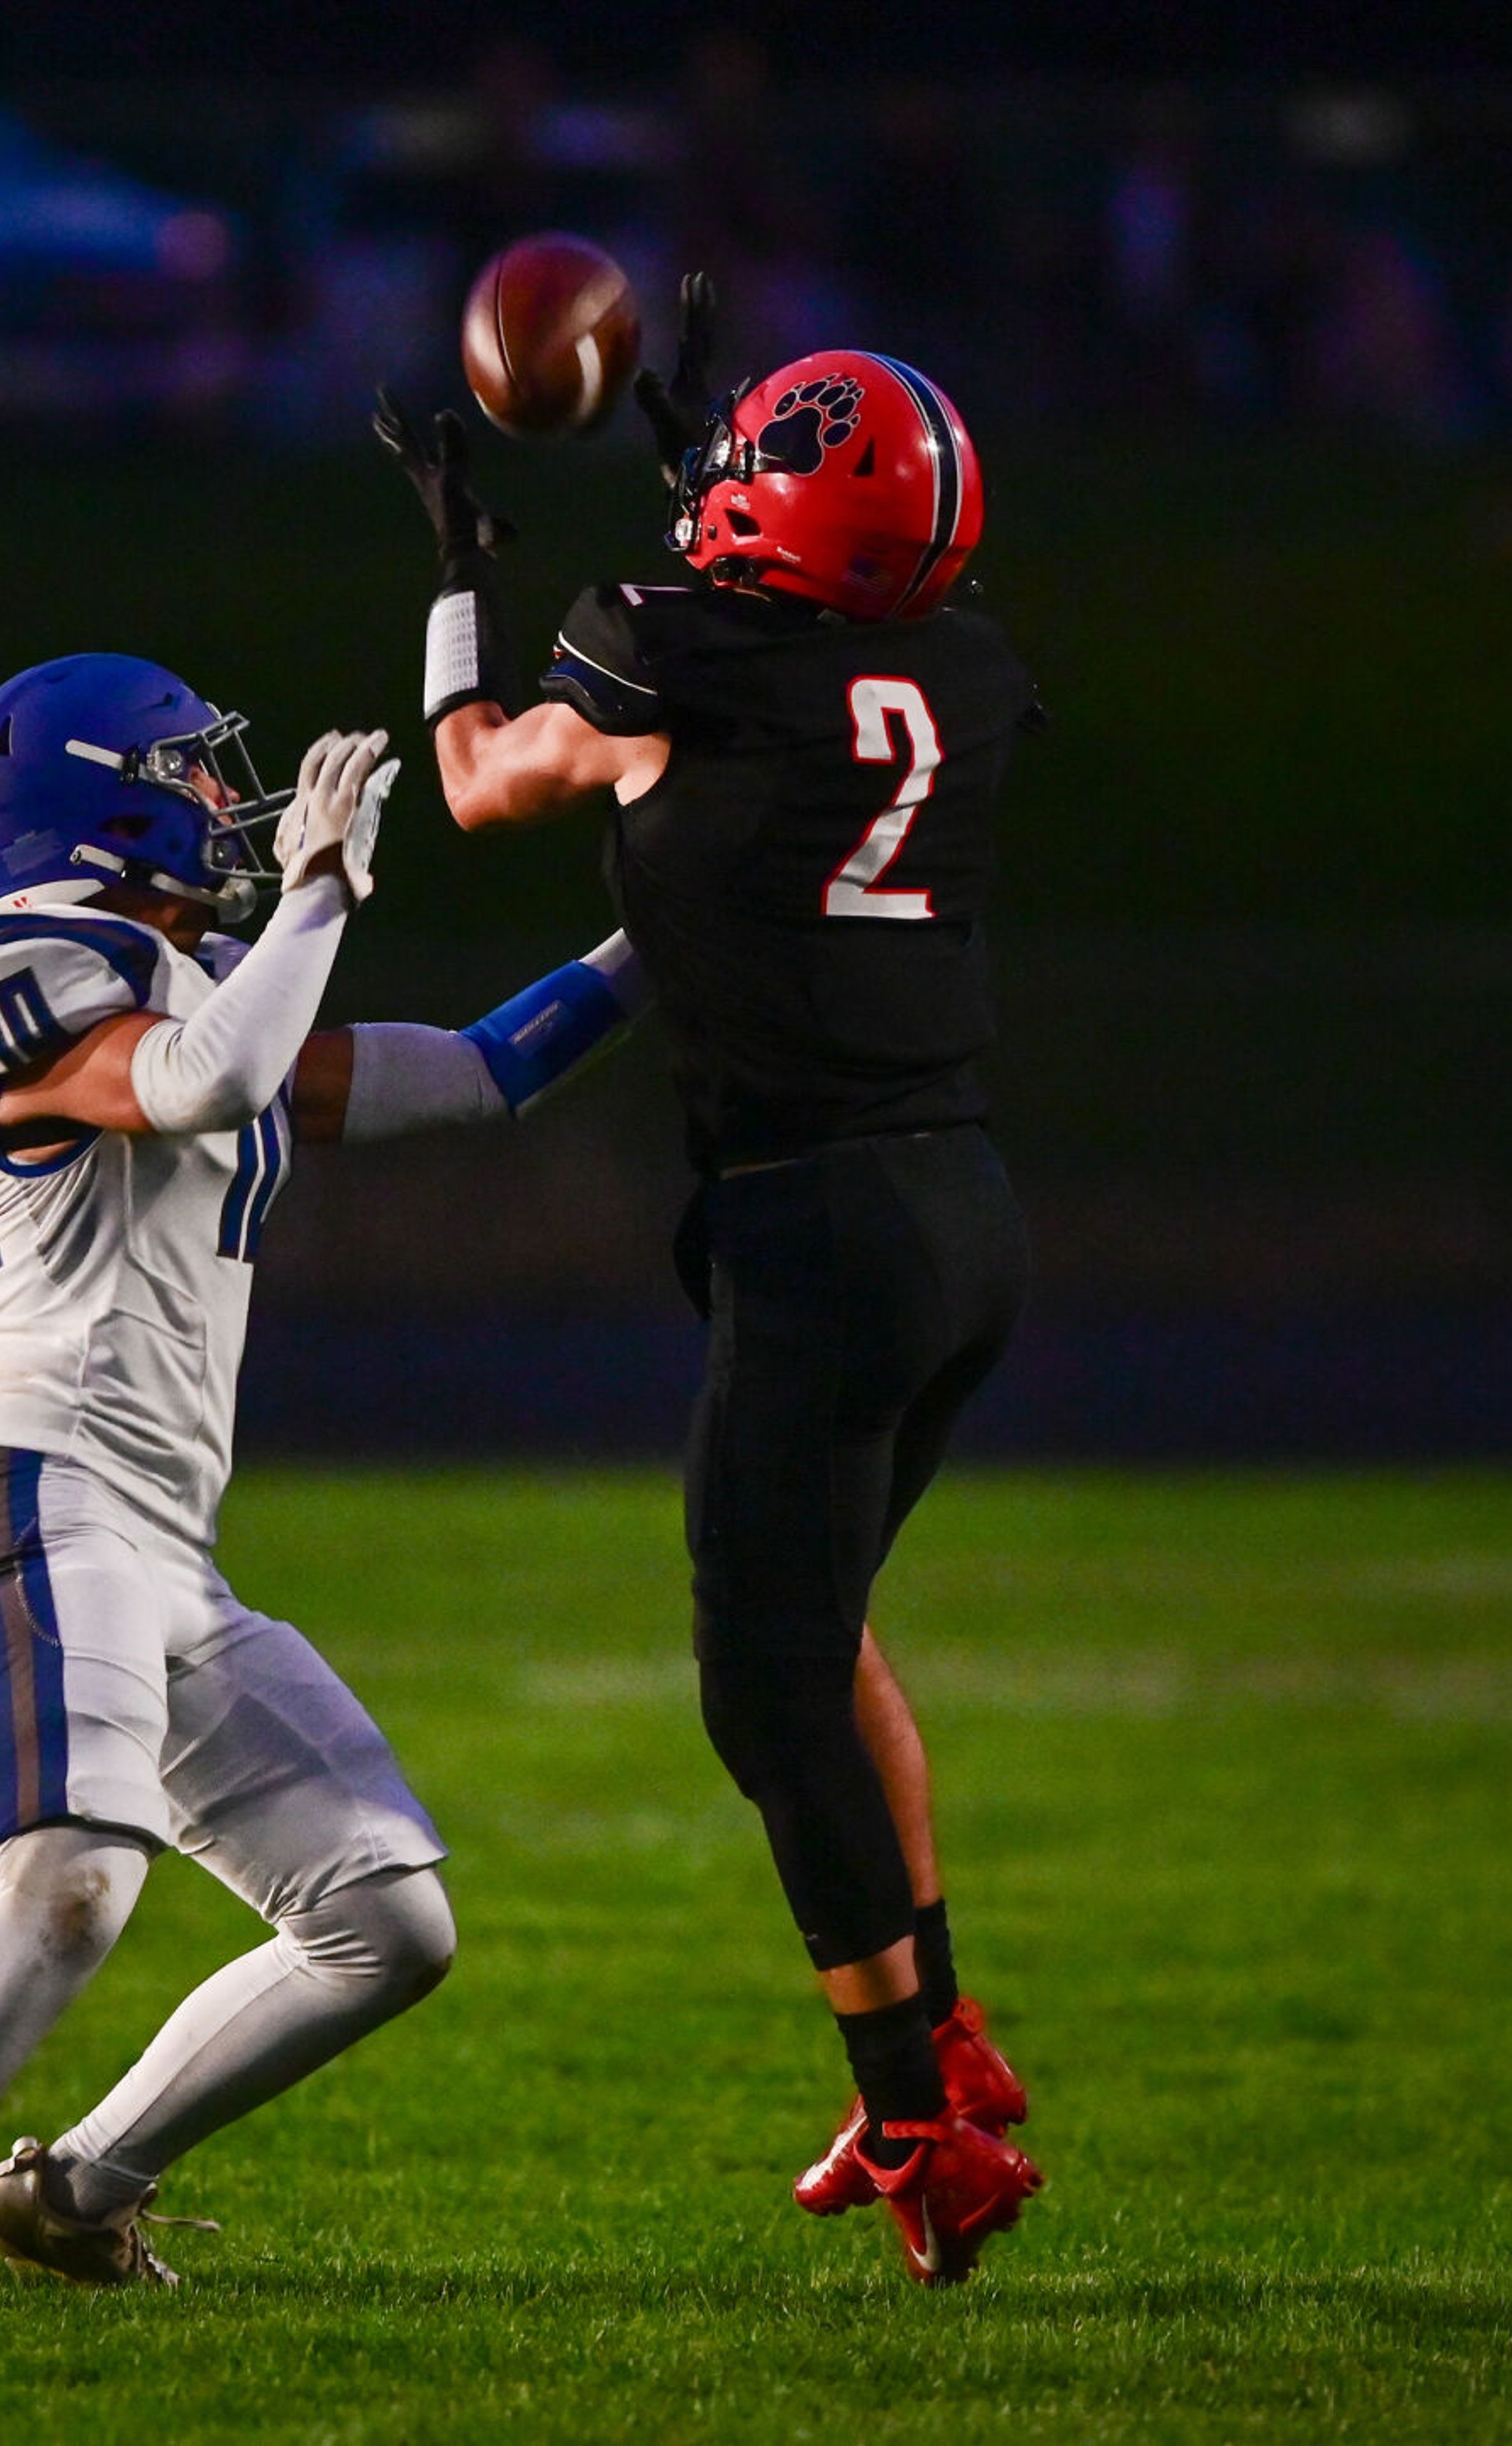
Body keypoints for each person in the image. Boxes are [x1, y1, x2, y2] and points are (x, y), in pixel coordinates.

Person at [0, 653, 645, 2312]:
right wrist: (311, 892)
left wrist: (665, 935)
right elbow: (196, 1081)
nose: (232, 801)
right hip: (37, 1488)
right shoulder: (31, 964)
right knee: (73, 1882)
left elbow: (478, 1068)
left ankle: (79, 2187)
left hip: (167, 1542)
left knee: (391, 1922)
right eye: (196, 772)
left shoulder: (218, 973)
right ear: (101, 805)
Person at [375, 288, 1046, 2288]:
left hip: (819, 1226)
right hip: (957, 1206)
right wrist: (714, 478)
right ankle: (947, 2030)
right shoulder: (968, 661)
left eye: (764, 460)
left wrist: (459, 586)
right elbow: (789, 660)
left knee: (761, 1681)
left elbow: (491, 782)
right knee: (820, 1625)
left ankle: (913, 2110)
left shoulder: (668, 648)